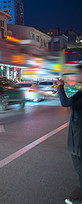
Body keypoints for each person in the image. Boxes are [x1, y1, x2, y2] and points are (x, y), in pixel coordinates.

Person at [57, 64, 82, 204]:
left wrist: (60, 87)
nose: (77, 76)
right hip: (78, 135)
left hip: (79, 138)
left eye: (79, 74)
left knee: (80, 167)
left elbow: (65, 102)